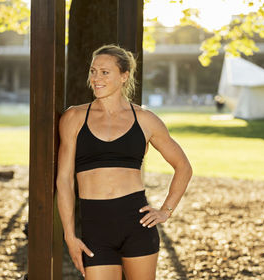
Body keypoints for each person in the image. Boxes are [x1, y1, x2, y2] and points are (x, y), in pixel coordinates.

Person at [56, 44, 192, 280]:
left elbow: (183, 167)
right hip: (95, 227)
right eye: (93, 71)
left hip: (136, 224)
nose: (96, 78)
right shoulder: (74, 117)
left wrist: (165, 210)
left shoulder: (146, 119)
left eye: (105, 72)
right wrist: (69, 235)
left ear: (124, 76)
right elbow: (64, 181)